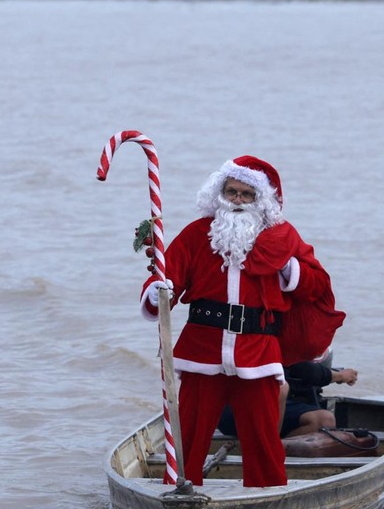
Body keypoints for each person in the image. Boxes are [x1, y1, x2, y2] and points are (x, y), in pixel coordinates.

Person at [140, 155, 340, 487]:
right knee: (187, 436)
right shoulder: (197, 234)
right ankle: (177, 499)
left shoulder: (283, 237)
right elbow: (166, 279)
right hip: (202, 352)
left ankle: (267, 497)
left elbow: (318, 285)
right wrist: (157, 292)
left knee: (263, 442)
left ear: (260, 200)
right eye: (231, 192)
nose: (237, 200)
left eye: (246, 194)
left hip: (257, 353)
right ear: (220, 194)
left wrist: (288, 268)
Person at [217, 360, 358, 438]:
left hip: (235, 412)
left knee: (323, 419)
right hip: (239, 412)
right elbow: (305, 369)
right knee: (279, 388)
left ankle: (277, 448)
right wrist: (340, 376)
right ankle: (270, 453)